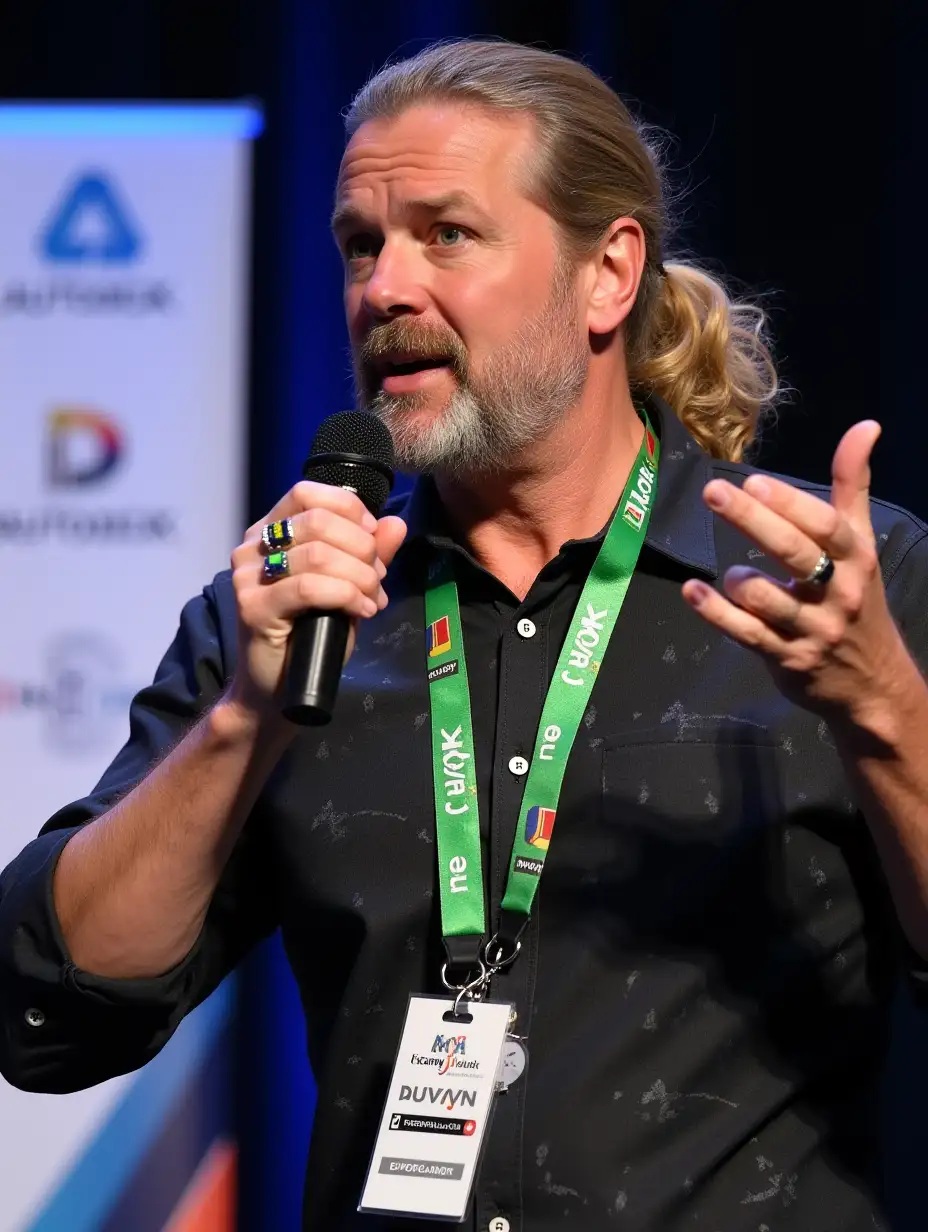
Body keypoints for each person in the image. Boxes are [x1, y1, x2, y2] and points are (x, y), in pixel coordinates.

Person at [2, 38, 927, 1232]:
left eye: (446, 233)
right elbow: (51, 1010)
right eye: (359, 243)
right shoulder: (301, 612)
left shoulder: (838, 583)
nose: (383, 288)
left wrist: (885, 711)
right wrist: (243, 719)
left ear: (606, 274)